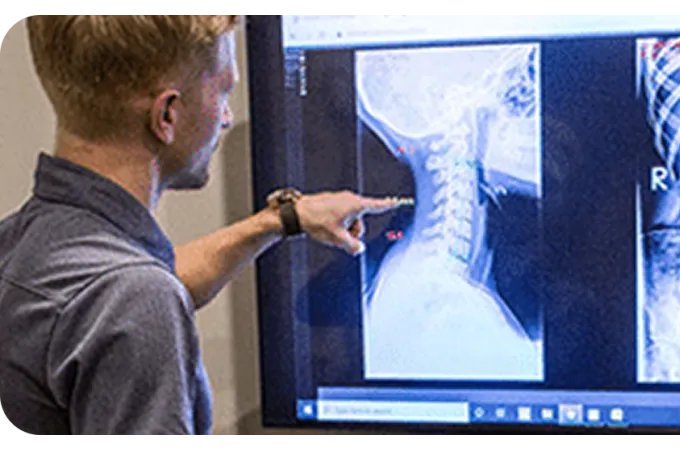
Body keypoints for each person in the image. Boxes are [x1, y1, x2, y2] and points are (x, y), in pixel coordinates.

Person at [0, 14, 402, 439]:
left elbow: (123, 292)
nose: (227, 117)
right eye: (224, 91)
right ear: (167, 115)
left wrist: (283, 220)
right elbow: (136, 297)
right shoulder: (132, 297)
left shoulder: (22, 244)